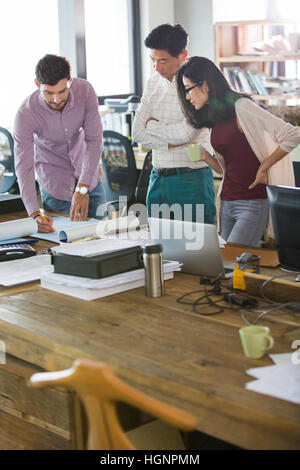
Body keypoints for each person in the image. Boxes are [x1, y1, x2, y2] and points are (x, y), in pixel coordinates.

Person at [176, 56, 300, 246]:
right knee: (226, 266)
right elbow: (226, 170)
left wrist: (264, 167)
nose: (187, 97)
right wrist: (206, 156)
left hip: (252, 202)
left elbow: (292, 135)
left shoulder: (242, 107)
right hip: (227, 202)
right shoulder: (216, 116)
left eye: (188, 89)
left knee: (231, 261)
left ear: (206, 85)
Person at [132, 24, 216, 224]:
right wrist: (169, 143)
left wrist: (151, 126)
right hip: (157, 178)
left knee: (197, 249)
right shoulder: (152, 82)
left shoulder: (197, 83)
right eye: (152, 60)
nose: (157, 67)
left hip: (190, 179)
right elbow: (136, 133)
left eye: (163, 61)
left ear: (183, 54)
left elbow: (185, 134)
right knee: (159, 248)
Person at [14, 54, 106, 232]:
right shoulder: (26, 114)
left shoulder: (85, 91)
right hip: (55, 187)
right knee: (62, 248)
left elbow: (94, 140)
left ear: (70, 81)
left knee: (101, 240)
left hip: (90, 181)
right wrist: (34, 214)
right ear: (37, 85)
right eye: (49, 92)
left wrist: (83, 187)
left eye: (62, 91)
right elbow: (23, 167)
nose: (56, 99)